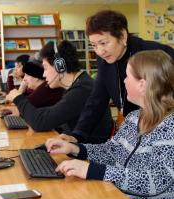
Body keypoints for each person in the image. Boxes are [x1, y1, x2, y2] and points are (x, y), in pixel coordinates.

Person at [46, 50, 174, 199]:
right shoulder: (134, 117)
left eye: (128, 76)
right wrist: (76, 149)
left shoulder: (170, 126)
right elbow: (112, 151)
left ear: (142, 85)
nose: (124, 81)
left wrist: (95, 171)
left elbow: (157, 181)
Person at [60, 10, 174, 144]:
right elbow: (97, 99)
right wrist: (77, 135)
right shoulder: (105, 59)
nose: (100, 51)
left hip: (164, 131)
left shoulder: (156, 54)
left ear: (123, 36)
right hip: (134, 126)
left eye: (103, 43)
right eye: (94, 45)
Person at [6, 40, 112, 139]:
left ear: (59, 66)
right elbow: (50, 112)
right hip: (76, 146)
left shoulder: (82, 90)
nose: (43, 74)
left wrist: (18, 98)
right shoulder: (78, 84)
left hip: (87, 155)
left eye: (46, 68)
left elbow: (40, 122)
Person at [0, 60, 64, 115]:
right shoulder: (43, 87)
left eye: (27, 75)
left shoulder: (45, 88)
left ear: (36, 77)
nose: (24, 79)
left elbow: (23, 106)